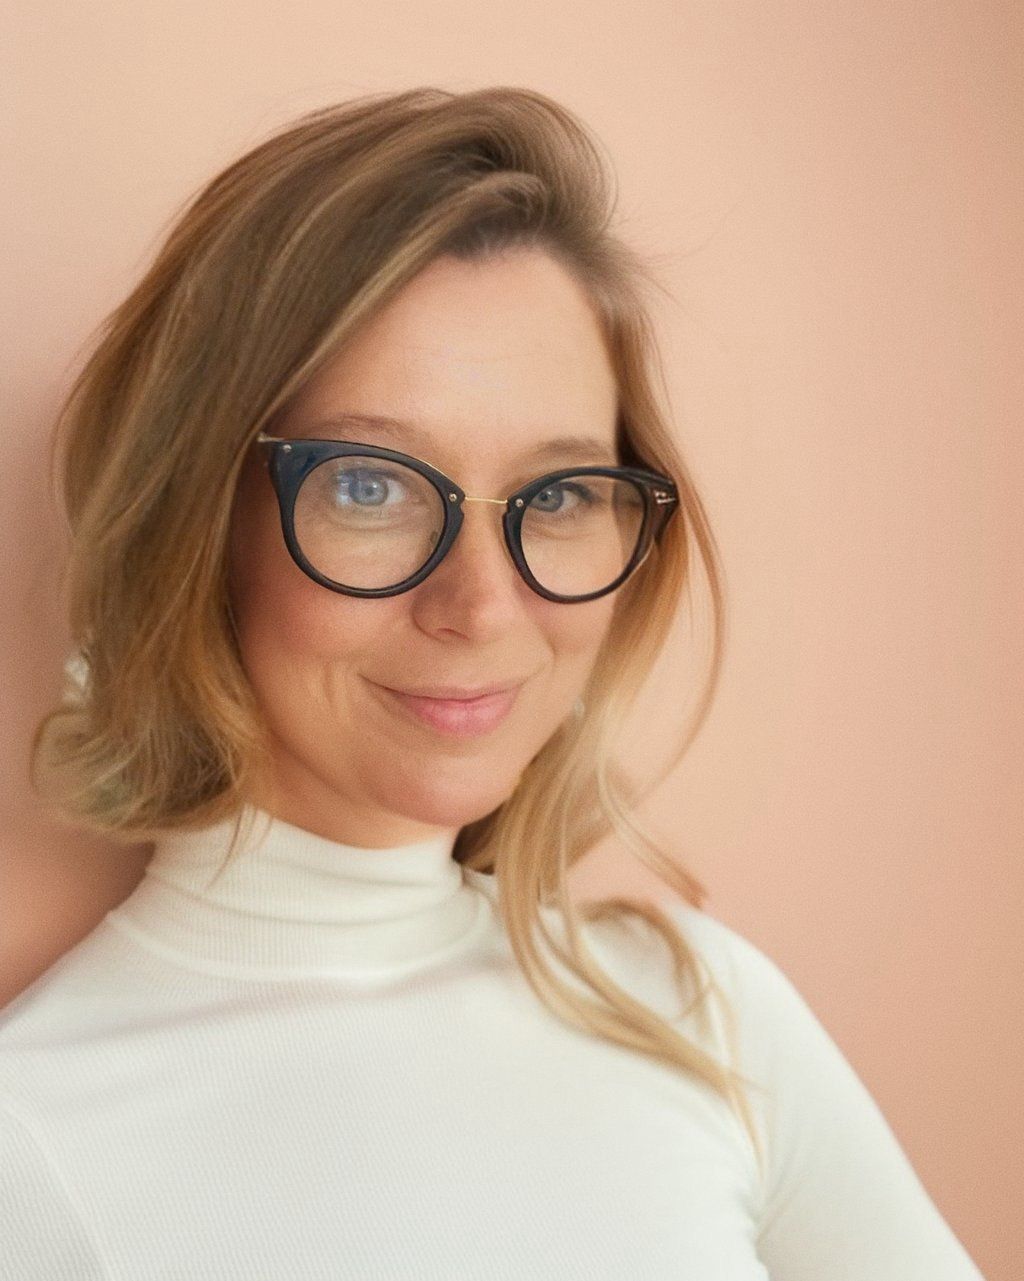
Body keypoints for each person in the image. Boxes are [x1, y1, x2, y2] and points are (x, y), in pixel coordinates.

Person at [1, 86, 985, 1279]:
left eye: (559, 495)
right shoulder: (35, 1143)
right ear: (195, 522)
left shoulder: (699, 1013)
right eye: (369, 486)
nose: (481, 607)